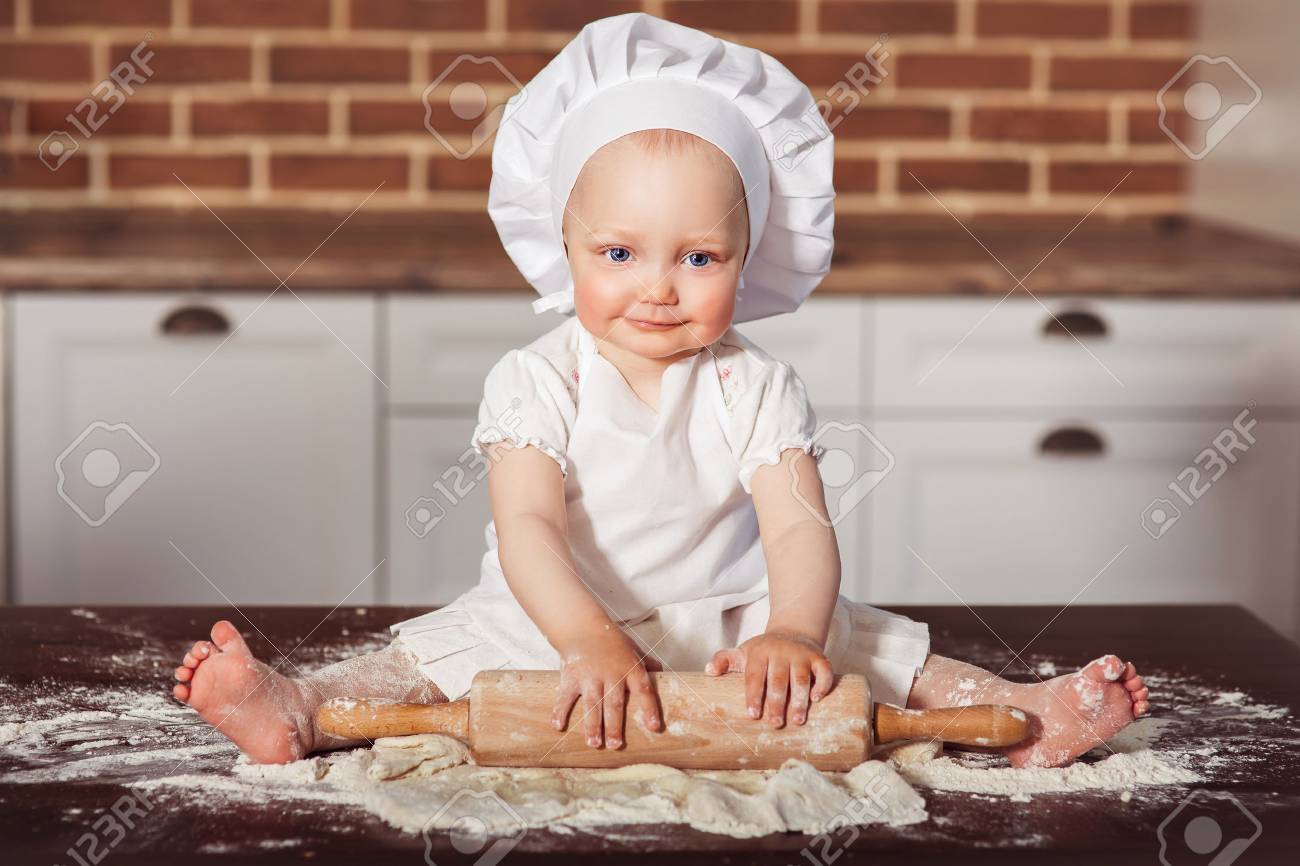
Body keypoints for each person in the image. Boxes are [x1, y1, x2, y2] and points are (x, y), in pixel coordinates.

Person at [172, 13, 1149, 768]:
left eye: (697, 254)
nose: (657, 284)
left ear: (746, 258)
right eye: (618, 251)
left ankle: (1023, 714)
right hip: (557, 611)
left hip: (732, 618)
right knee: (431, 663)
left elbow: (799, 528)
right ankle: (293, 705)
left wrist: (791, 631)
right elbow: (529, 532)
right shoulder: (537, 377)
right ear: (563, 247)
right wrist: (589, 643)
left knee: (889, 652)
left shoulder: (753, 382)